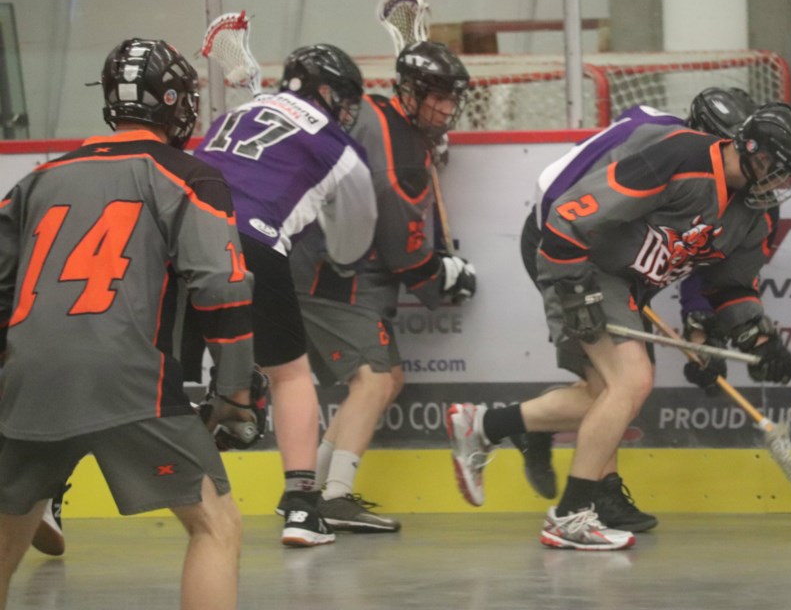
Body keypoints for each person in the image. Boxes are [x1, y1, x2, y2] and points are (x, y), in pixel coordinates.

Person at [447, 100, 791, 550]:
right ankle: (570, 515)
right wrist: (573, 288)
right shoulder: (680, 155)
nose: (782, 184)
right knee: (634, 379)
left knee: (606, 397)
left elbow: (728, 288)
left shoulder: (751, 215)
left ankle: (483, 425)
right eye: (780, 170)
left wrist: (760, 340)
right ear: (757, 152)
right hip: (586, 266)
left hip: (628, 286)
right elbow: (569, 215)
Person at [0, 38, 256, 609]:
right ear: (172, 102)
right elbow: (223, 288)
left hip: (28, 381)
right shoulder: (191, 176)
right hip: (130, 381)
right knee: (216, 525)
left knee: (4, 537)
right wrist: (236, 395)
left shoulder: (37, 180)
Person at [510, 88, 768, 509]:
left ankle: (581, 477)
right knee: (619, 382)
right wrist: (579, 278)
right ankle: (598, 496)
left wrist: (700, 328)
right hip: (564, 244)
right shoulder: (656, 138)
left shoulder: (723, 177)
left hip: (616, 260)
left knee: (615, 385)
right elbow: (559, 197)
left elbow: (699, 243)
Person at [284, 40, 475, 532]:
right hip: (334, 270)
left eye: (452, 97)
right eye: (436, 96)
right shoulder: (400, 151)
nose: (446, 107)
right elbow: (403, 246)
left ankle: (309, 494)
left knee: (385, 380)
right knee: (374, 378)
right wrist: (440, 279)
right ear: (409, 93)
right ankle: (333, 499)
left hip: (314, 261)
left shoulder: (375, 112)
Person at [194, 44, 377, 547]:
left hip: (176, 233)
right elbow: (351, 247)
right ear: (325, 92)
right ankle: (301, 508)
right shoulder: (338, 146)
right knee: (290, 373)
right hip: (252, 241)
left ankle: (49, 493)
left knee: (154, 369)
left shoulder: (237, 111)